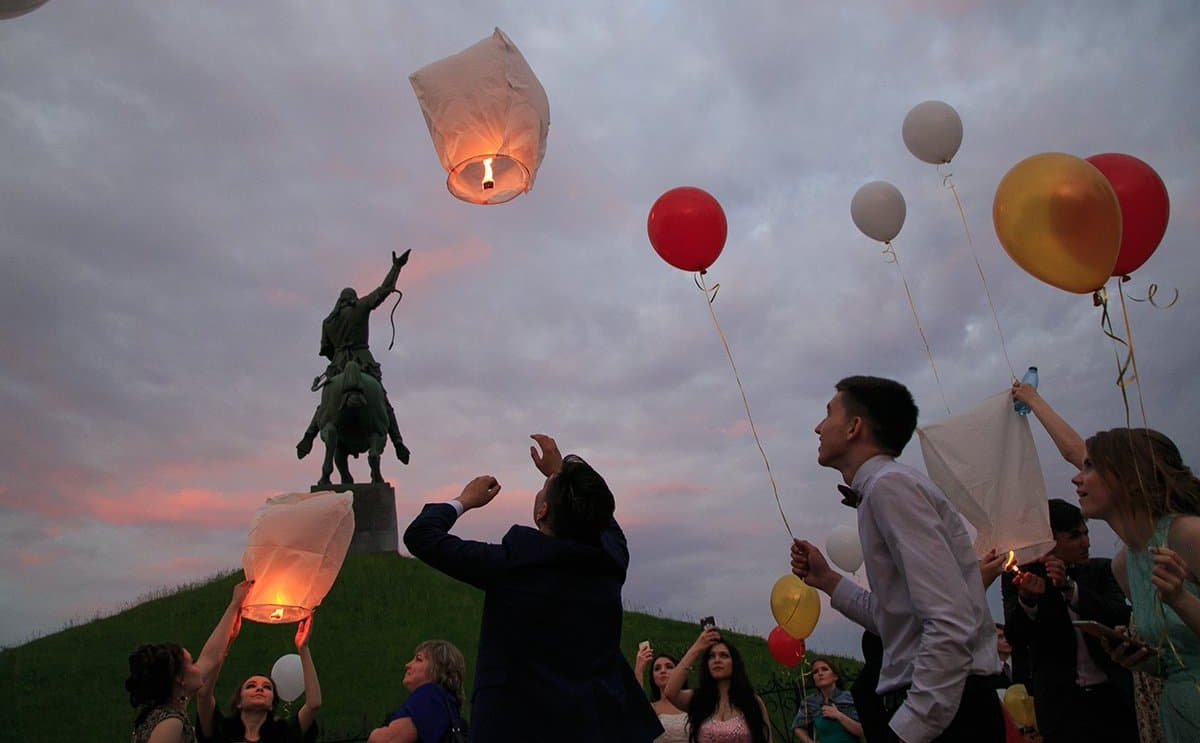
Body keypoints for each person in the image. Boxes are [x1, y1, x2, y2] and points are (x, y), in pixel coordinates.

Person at [402, 433, 662, 743]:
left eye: (545, 488)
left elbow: (421, 536)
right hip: (599, 726)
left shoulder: (514, 566)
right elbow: (601, 520)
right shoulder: (611, 563)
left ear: (541, 513)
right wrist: (560, 471)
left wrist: (464, 500)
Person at [790, 376, 1004, 743]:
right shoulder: (880, 490)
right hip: (946, 705)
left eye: (828, 414)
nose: (818, 427)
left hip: (950, 711)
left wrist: (906, 730)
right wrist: (827, 580)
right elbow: (898, 619)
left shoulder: (890, 487)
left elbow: (949, 620)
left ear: (855, 427)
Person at [1074, 427, 1200, 741]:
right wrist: (1145, 660)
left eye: (1089, 466)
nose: (1077, 479)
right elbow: (1177, 659)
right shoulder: (1122, 565)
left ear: (1129, 475)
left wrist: (1182, 600)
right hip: (1181, 717)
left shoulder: (1189, 535)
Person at [1001, 498, 1136, 742]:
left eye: (1086, 533)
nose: (1086, 542)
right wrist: (1028, 601)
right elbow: (1016, 639)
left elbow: (1119, 615)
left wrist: (1070, 588)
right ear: (1051, 543)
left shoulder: (1102, 571)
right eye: (1074, 536)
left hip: (1114, 700)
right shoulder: (1025, 578)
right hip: (1062, 710)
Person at [298, 249, 410, 463]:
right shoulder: (360, 307)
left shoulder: (328, 322)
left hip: (338, 365)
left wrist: (340, 358)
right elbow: (384, 290)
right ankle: (398, 444)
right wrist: (396, 267)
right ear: (353, 299)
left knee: (324, 407)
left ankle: (308, 437)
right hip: (363, 361)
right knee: (384, 403)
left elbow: (327, 350)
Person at [126, 582, 250, 743]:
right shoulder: (170, 723)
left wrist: (233, 611)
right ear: (179, 679)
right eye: (191, 663)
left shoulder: (169, 709)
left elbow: (211, 658)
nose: (198, 665)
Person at [196, 616, 321, 743]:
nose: (260, 688)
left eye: (267, 688)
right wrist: (226, 642)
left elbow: (313, 704)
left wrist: (303, 648)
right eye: (251, 686)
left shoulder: (282, 733)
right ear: (239, 702)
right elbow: (203, 695)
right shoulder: (223, 729)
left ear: (272, 704)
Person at [662, 627, 771, 743]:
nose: (717, 660)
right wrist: (697, 648)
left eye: (723, 655)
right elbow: (670, 692)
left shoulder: (752, 701)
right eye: (711, 656)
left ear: (734, 663)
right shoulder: (699, 699)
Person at [369, 640, 467, 743]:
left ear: (438, 668)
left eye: (418, 659)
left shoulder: (431, 694)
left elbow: (386, 740)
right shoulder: (447, 705)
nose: (407, 665)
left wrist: (374, 734)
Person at [791, 657, 861, 743]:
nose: (820, 673)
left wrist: (839, 716)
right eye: (815, 672)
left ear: (835, 676)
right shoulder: (811, 702)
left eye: (824, 669)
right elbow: (797, 726)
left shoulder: (848, 697)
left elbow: (861, 731)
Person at [634, 645, 688, 743]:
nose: (663, 671)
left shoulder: (690, 702)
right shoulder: (651, 708)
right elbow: (635, 710)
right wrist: (639, 668)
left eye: (669, 667)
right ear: (653, 678)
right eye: (657, 669)